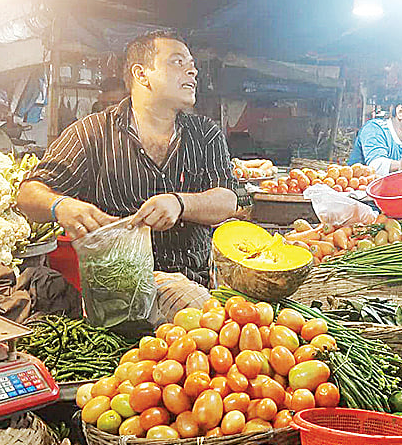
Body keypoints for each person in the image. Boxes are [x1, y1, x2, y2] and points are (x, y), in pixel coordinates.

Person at [17, 29, 237, 286]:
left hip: (192, 286)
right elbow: (27, 195)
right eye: (177, 62)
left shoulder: (205, 134)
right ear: (141, 74)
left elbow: (227, 199)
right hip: (116, 291)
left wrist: (180, 203)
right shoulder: (92, 132)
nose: (192, 71)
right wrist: (60, 206)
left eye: (191, 64)